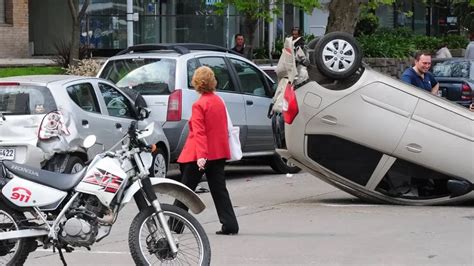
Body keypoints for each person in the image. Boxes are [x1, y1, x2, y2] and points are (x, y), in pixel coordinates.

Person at [174, 66, 239, 235]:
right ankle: (230, 224)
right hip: (218, 153)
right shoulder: (218, 101)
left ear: (196, 83)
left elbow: (200, 133)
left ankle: (175, 224)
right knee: (219, 190)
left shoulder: (199, 105)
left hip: (199, 154)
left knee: (185, 191)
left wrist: (202, 156)